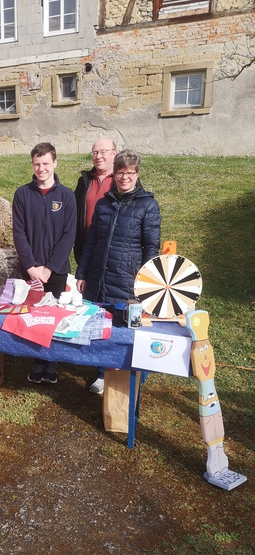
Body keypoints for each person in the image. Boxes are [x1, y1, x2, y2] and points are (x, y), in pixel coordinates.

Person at [75, 149, 161, 394]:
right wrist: (81, 274)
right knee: (100, 325)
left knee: (127, 328)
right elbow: (91, 241)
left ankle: (131, 373)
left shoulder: (148, 205)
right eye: (121, 173)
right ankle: (102, 373)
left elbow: (151, 247)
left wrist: (148, 283)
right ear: (114, 175)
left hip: (128, 279)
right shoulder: (103, 204)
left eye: (130, 173)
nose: (125, 178)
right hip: (98, 275)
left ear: (137, 174)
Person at [12, 142, 76, 384]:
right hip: (29, 269)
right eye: (37, 164)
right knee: (33, 315)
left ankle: (52, 362)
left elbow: (69, 234)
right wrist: (31, 267)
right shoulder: (22, 194)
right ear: (33, 165)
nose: (41, 168)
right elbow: (19, 233)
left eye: (46, 163)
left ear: (55, 163)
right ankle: (37, 360)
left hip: (56, 270)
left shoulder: (66, 196)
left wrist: (49, 269)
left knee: (53, 316)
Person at [74, 138, 117, 264]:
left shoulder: (123, 181)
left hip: (114, 251)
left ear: (114, 153)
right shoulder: (84, 181)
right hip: (87, 249)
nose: (98, 156)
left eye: (103, 152)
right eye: (95, 153)